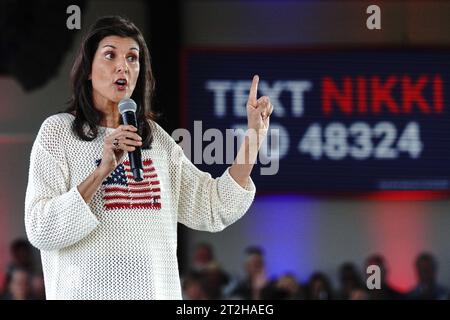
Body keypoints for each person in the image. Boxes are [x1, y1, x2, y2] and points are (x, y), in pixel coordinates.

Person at [24, 16, 273, 300]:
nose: (123, 66)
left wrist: (254, 137)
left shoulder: (156, 139)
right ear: (89, 70)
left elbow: (214, 206)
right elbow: (41, 229)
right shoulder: (58, 133)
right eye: (110, 55)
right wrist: (101, 172)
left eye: (133, 58)